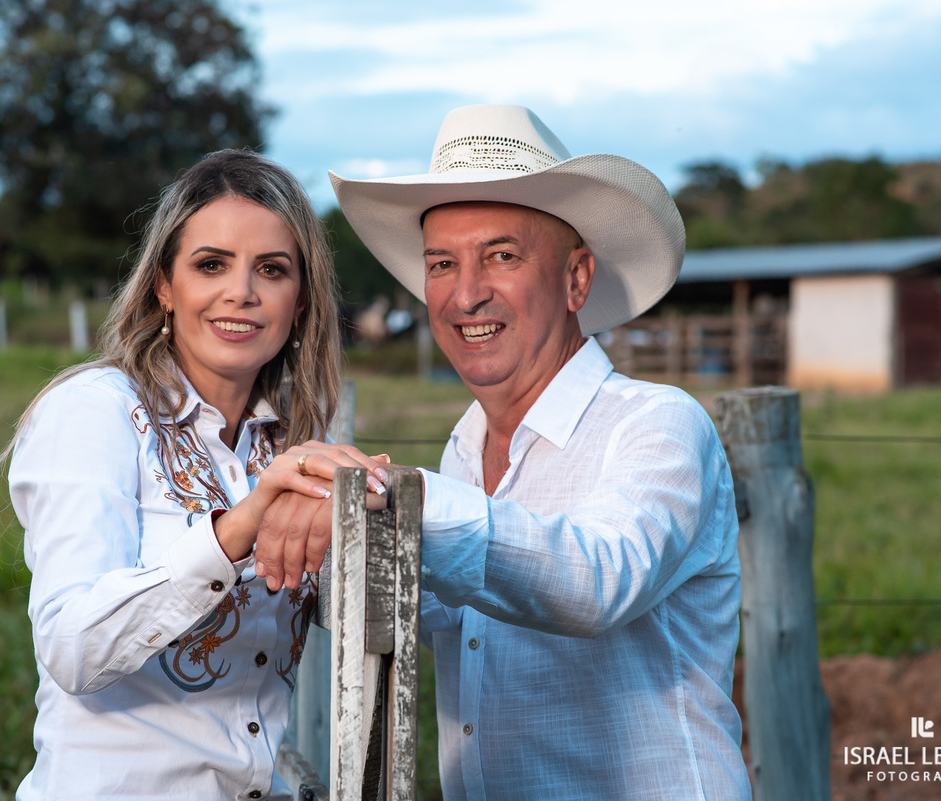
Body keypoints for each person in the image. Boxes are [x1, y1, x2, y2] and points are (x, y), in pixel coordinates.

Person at [321, 105, 752, 799]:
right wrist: (313, 526)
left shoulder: (658, 424)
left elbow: (595, 581)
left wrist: (396, 500)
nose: (465, 295)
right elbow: (422, 608)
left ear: (577, 278)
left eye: (502, 255)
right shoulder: (462, 451)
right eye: (441, 263)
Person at [0, 150, 388, 800]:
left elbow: (368, 611)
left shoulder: (288, 441)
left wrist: (367, 518)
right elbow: (72, 648)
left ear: (302, 298)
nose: (243, 292)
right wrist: (238, 527)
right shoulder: (96, 411)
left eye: (272, 269)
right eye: (212, 265)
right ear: (164, 286)